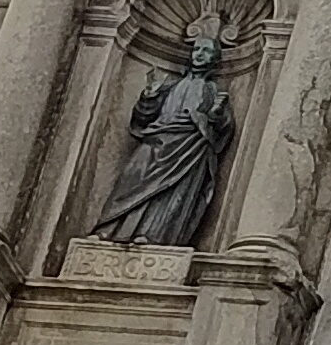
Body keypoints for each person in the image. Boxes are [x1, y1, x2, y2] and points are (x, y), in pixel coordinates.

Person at [89, 33, 236, 247]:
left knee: (172, 194)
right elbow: (143, 118)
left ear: (215, 59)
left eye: (206, 51)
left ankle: (152, 236)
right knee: (132, 179)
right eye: (197, 49)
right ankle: (109, 229)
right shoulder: (169, 86)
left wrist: (217, 115)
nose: (199, 54)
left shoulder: (214, 92)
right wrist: (148, 95)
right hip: (157, 139)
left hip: (190, 147)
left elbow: (223, 129)